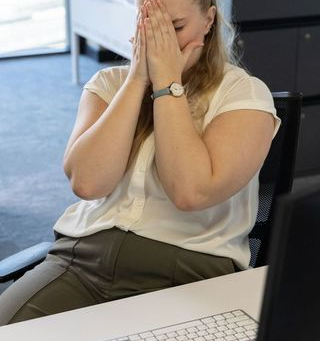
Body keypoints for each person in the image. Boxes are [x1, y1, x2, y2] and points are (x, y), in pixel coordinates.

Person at [0, 0, 280, 326]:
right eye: (148, 24)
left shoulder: (243, 94)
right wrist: (136, 80)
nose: (161, 41)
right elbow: (88, 184)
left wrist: (167, 86)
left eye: (174, 27)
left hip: (188, 270)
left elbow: (189, 192)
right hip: (83, 259)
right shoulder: (109, 84)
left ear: (208, 19)